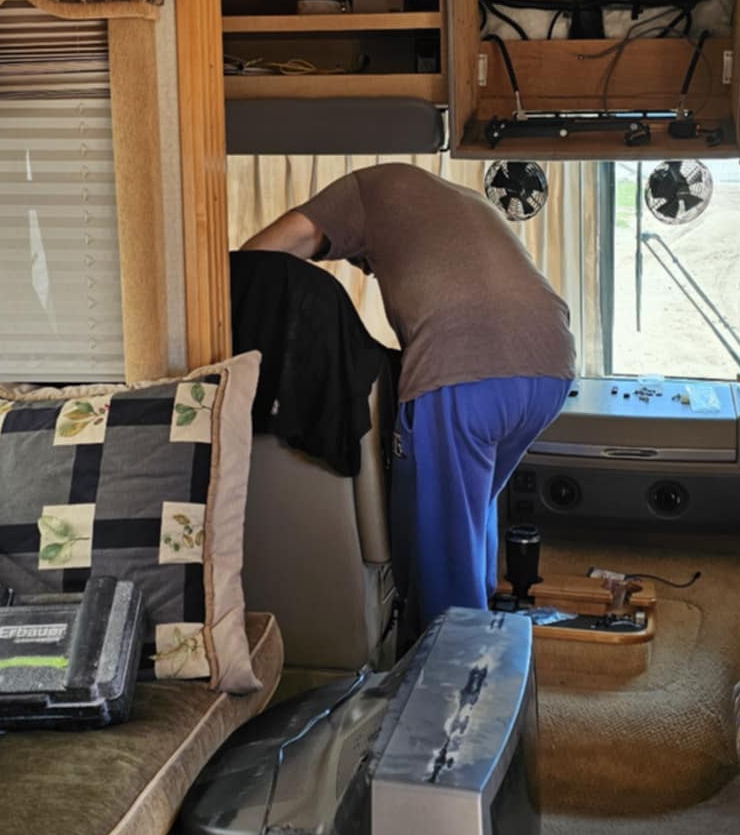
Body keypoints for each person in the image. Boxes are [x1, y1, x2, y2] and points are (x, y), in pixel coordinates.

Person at [241, 163, 574, 625]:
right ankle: (478, 622)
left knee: (435, 539)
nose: (368, 271)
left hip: (464, 364)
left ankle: (448, 656)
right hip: (551, 366)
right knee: (468, 511)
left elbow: (256, 261)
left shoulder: (360, 190)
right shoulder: (460, 203)